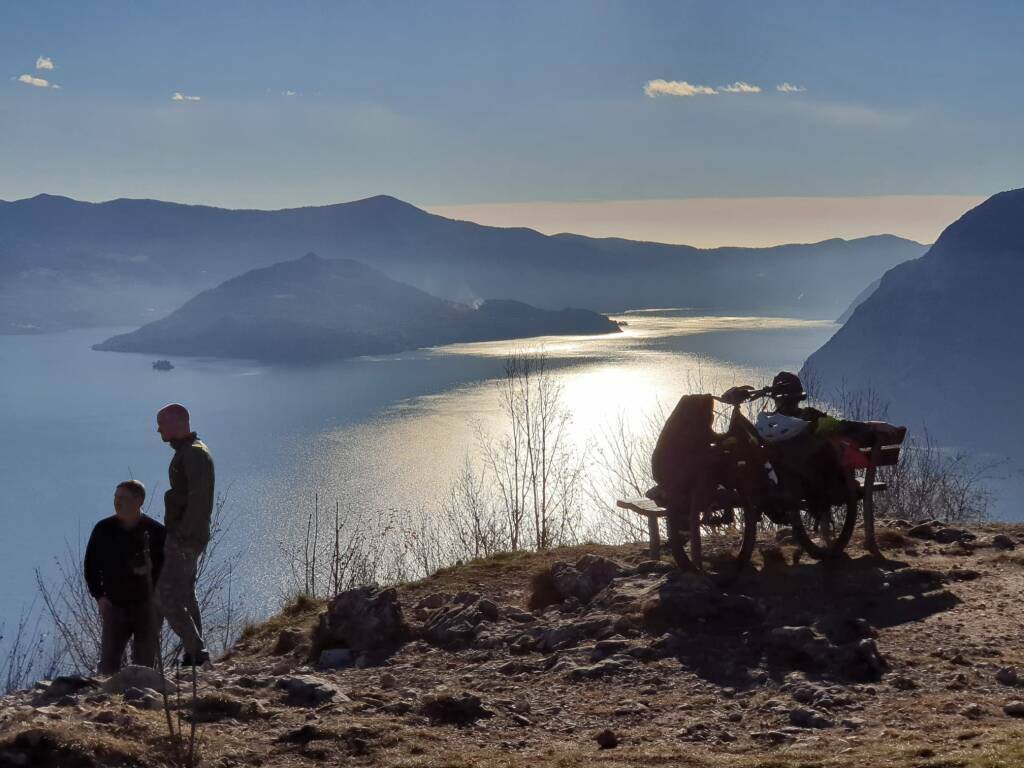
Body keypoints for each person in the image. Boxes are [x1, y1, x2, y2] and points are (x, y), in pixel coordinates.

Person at [84, 480, 165, 674]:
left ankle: (142, 702)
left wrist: (151, 574)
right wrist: (99, 596)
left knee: (144, 665)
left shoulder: (156, 532)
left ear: (139, 500)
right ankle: (108, 703)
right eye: (115, 497)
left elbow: (168, 569)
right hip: (115, 606)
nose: (117, 502)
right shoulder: (103, 529)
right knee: (108, 665)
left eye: (122, 498)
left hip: (148, 607)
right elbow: (91, 565)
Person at [155, 403, 215, 667]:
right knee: (185, 593)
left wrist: (182, 535)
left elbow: (199, 500)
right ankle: (195, 653)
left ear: (179, 423)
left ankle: (197, 653)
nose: (158, 430)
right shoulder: (188, 452)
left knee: (165, 595)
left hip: (185, 538)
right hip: (187, 536)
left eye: (162, 424)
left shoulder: (193, 454)